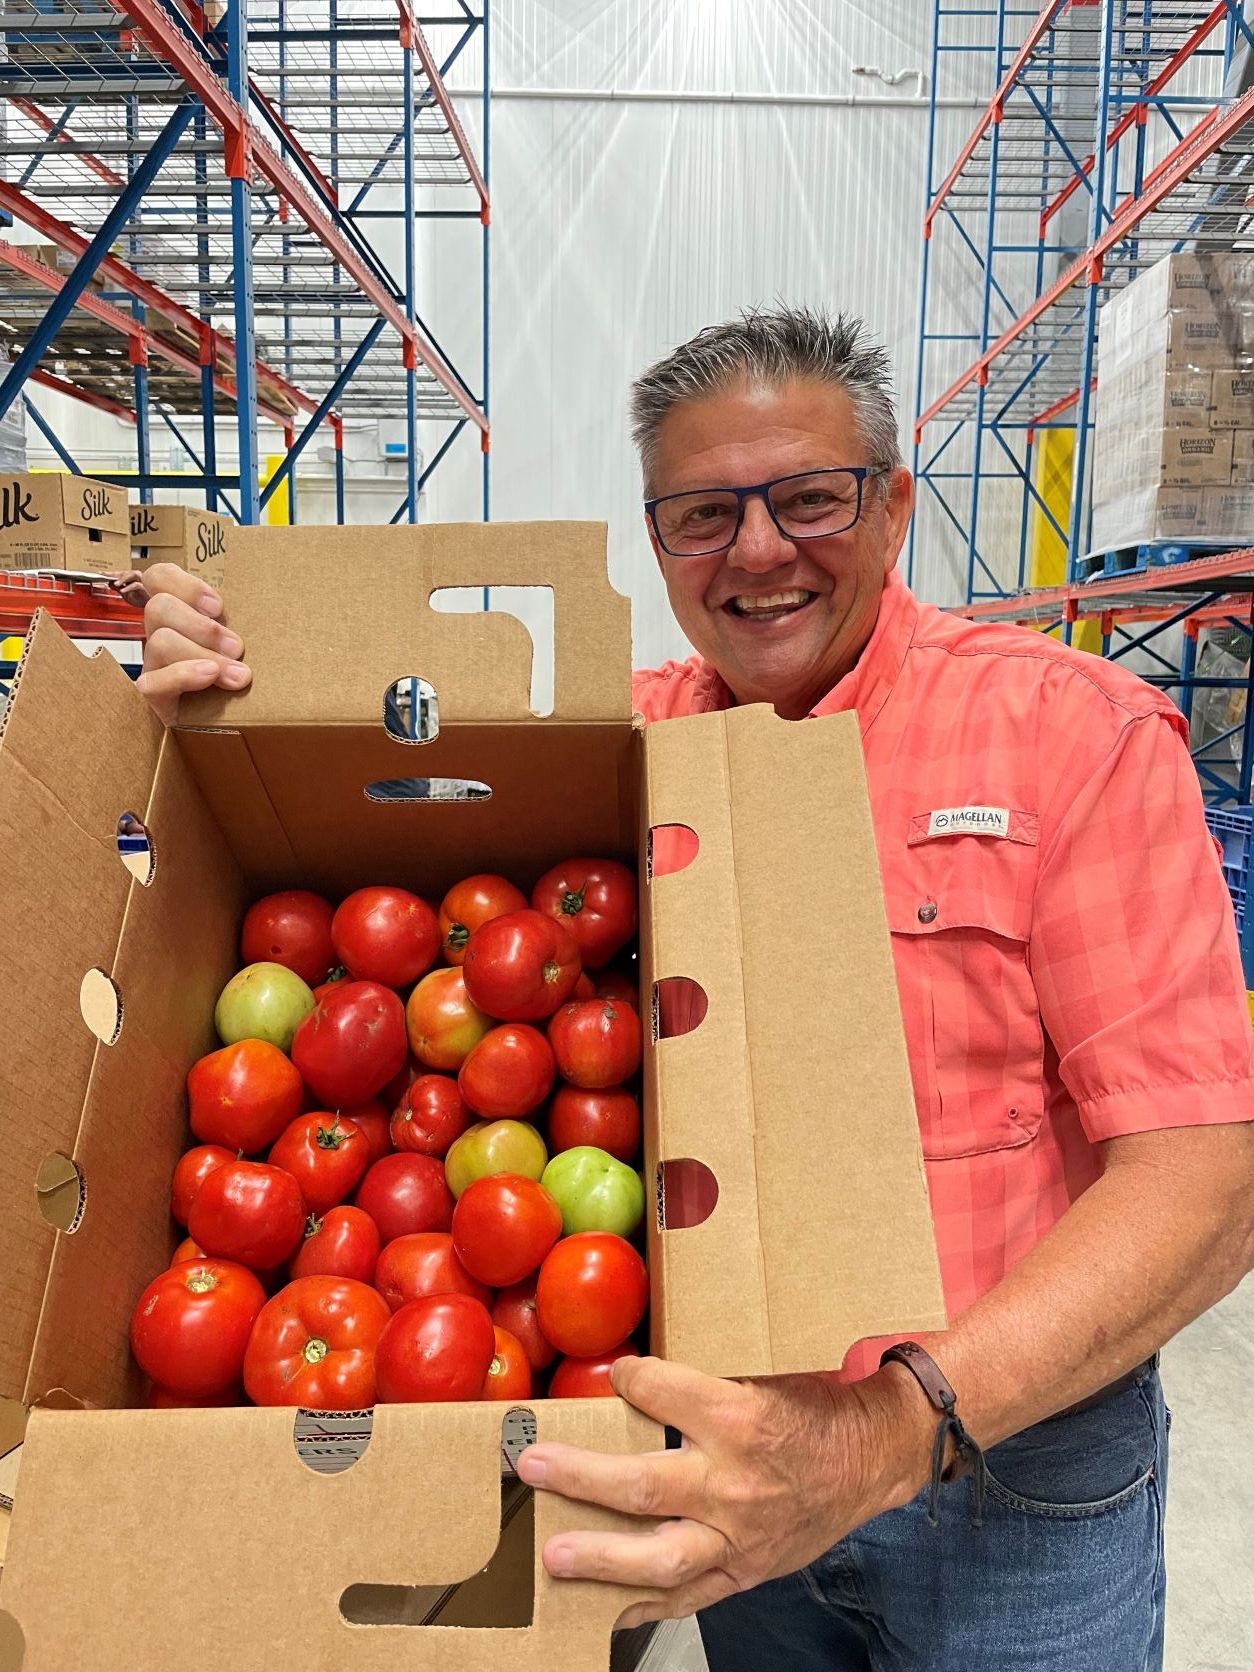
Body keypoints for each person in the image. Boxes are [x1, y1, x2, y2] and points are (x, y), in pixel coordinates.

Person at [134, 306, 1254, 1672]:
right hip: (734, 1458)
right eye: (702, 516)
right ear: (657, 542)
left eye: (809, 498)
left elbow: (1204, 1179)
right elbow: (388, 772)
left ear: (894, 508)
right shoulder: (628, 745)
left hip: (1002, 1463)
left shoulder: (1069, 737)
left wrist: (893, 1429)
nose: (762, 551)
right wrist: (230, 682)